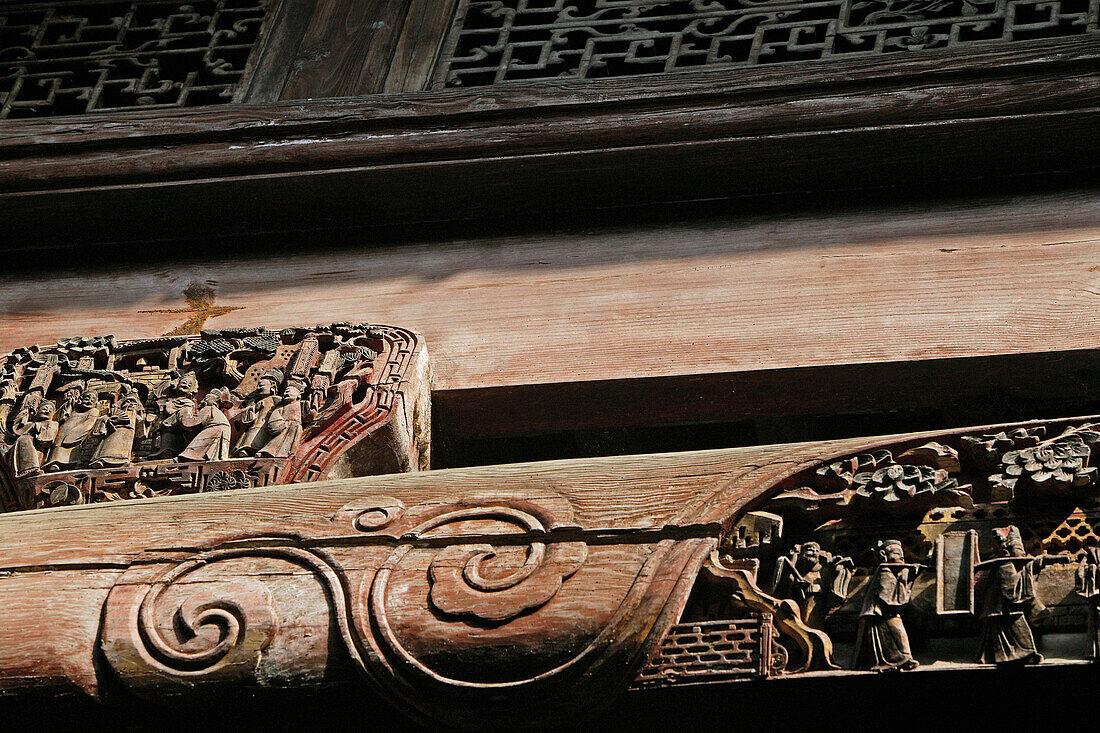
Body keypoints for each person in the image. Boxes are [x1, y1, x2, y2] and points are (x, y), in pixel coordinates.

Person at [977, 525, 1069, 665]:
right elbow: (1012, 589)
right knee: (1014, 632)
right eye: (1016, 548)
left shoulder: (1009, 564)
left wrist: (1037, 563)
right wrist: (1033, 565)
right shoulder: (1004, 565)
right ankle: (1020, 654)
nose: (1019, 553)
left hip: (1006, 611)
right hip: (1002, 611)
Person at [852, 539, 921, 671]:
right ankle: (900, 659)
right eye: (896, 553)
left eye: (902, 554)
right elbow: (886, 596)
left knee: (898, 634)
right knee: (897, 633)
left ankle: (902, 658)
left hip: (888, 612)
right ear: (884, 555)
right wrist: (906, 576)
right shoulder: (885, 571)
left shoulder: (890, 571)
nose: (901, 557)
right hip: (881, 613)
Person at [771, 542, 854, 628]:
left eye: (816, 551)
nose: (813, 552)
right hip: (799, 606)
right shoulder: (797, 572)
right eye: (810, 550)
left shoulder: (823, 572)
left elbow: (829, 589)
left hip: (817, 605)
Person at [147, 372, 200, 458]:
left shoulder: (189, 403)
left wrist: (181, 413)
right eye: (183, 383)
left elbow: (188, 415)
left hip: (181, 427)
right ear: (176, 384)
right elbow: (168, 411)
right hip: (168, 426)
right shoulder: (169, 401)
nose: (186, 385)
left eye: (189, 385)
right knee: (167, 442)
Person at [45, 389, 100, 471]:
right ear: (81, 399)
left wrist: (73, 435)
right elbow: (61, 416)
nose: (89, 402)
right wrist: (69, 403)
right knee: (59, 442)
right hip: (65, 428)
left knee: (75, 446)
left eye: (92, 400)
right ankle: (55, 462)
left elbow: (88, 424)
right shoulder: (74, 409)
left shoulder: (93, 411)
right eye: (87, 398)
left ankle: (75, 463)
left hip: (78, 433)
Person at [233, 369, 282, 456]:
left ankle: (259, 451)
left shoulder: (275, 399)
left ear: (272, 386)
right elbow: (246, 411)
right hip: (254, 423)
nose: (259, 388)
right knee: (249, 437)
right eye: (258, 386)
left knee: (259, 437)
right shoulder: (254, 401)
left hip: (266, 424)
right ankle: (245, 450)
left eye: (262, 386)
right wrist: (254, 408)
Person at [176, 388, 232, 462]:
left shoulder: (208, 408)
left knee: (192, 450)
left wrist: (183, 412)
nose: (203, 401)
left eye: (206, 398)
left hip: (215, 429)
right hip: (224, 430)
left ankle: (185, 458)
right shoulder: (218, 411)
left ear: (215, 401)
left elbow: (192, 423)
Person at [89, 391, 144, 468]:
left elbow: (141, 427)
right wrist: (108, 420)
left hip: (128, 433)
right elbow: (103, 419)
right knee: (107, 446)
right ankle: (101, 460)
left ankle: (123, 461)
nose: (131, 404)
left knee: (124, 449)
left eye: (134, 403)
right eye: (128, 401)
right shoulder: (115, 412)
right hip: (113, 431)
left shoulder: (136, 416)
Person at [10, 400, 59, 478]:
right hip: (22, 444)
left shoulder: (52, 424)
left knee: (25, 440)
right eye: (44, 409)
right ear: (37, 411)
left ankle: (31, 468)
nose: (47, 411)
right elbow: (17, 430)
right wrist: (25, 413)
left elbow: (46, 439)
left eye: (50, 410)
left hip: (37, 444)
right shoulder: (31, 424)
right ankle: (24, 470)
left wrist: (39, 429)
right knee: (23, 439)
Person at [258, 381, 305, 458]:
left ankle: (286, 454)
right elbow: (275, 415)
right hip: (283, 425)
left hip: (294, 426)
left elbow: (309, 415)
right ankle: (268, 451)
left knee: (290, 442)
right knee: (275, 441)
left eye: (288, 392)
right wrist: (278, 423)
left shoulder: (302, 404)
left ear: (298, 395)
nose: (285, 394)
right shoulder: (281, 407)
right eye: (284, 393)